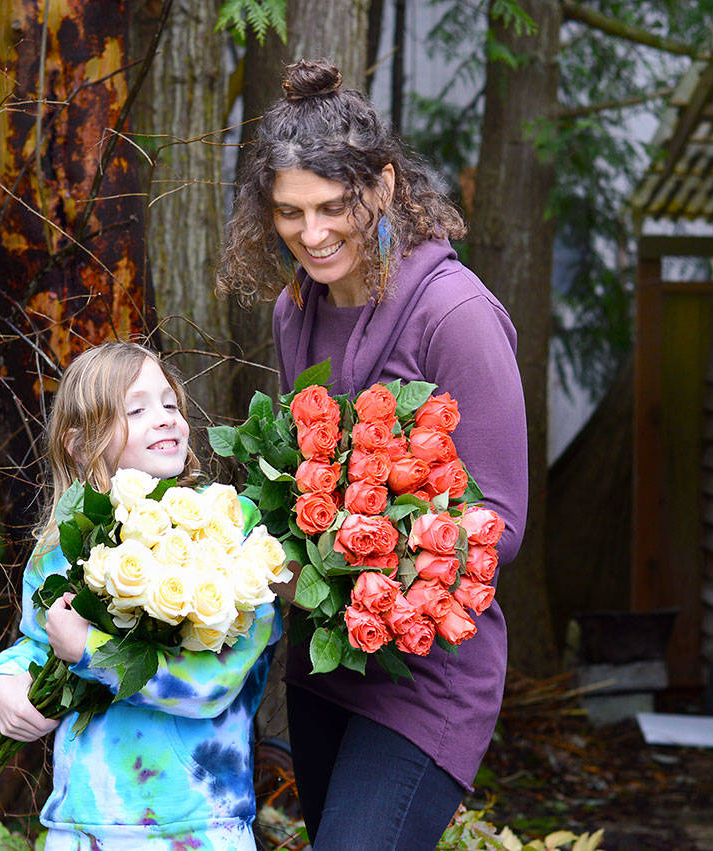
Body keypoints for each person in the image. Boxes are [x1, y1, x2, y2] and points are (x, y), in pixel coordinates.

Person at [218, 59, 528, 850]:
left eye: (332, 207)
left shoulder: (454, 315)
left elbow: (500, 518)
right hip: (328, 665)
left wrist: (371, 563)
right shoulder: (298, 310)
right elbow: (298, 473)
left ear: (383, 186)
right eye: (290, 212)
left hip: (429, 674)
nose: (312, 234)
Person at [0, 342, 280, 851]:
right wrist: (2, 682)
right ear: (81, 444)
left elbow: (217, 681)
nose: (164, 419)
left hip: (199, 824)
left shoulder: (230, 531)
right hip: (84, 825)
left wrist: (94, 655)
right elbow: (40, 642)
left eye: (169, 404)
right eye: (137, 409)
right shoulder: (64, 545)